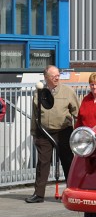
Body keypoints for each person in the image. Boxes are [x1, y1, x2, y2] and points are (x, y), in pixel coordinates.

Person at [27, 65, 79, 203]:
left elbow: (77, 112)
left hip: (63, 131)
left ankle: (72, 192)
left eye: (58, 75)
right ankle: (38, 194)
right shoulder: (39, 93)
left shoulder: (68, 91)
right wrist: (34, 133)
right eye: (53, 76)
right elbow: (35, 115)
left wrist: (79, 133)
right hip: (44, 132)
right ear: (46, 78)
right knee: (43, 163)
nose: (57, 78)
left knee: (67, 161)